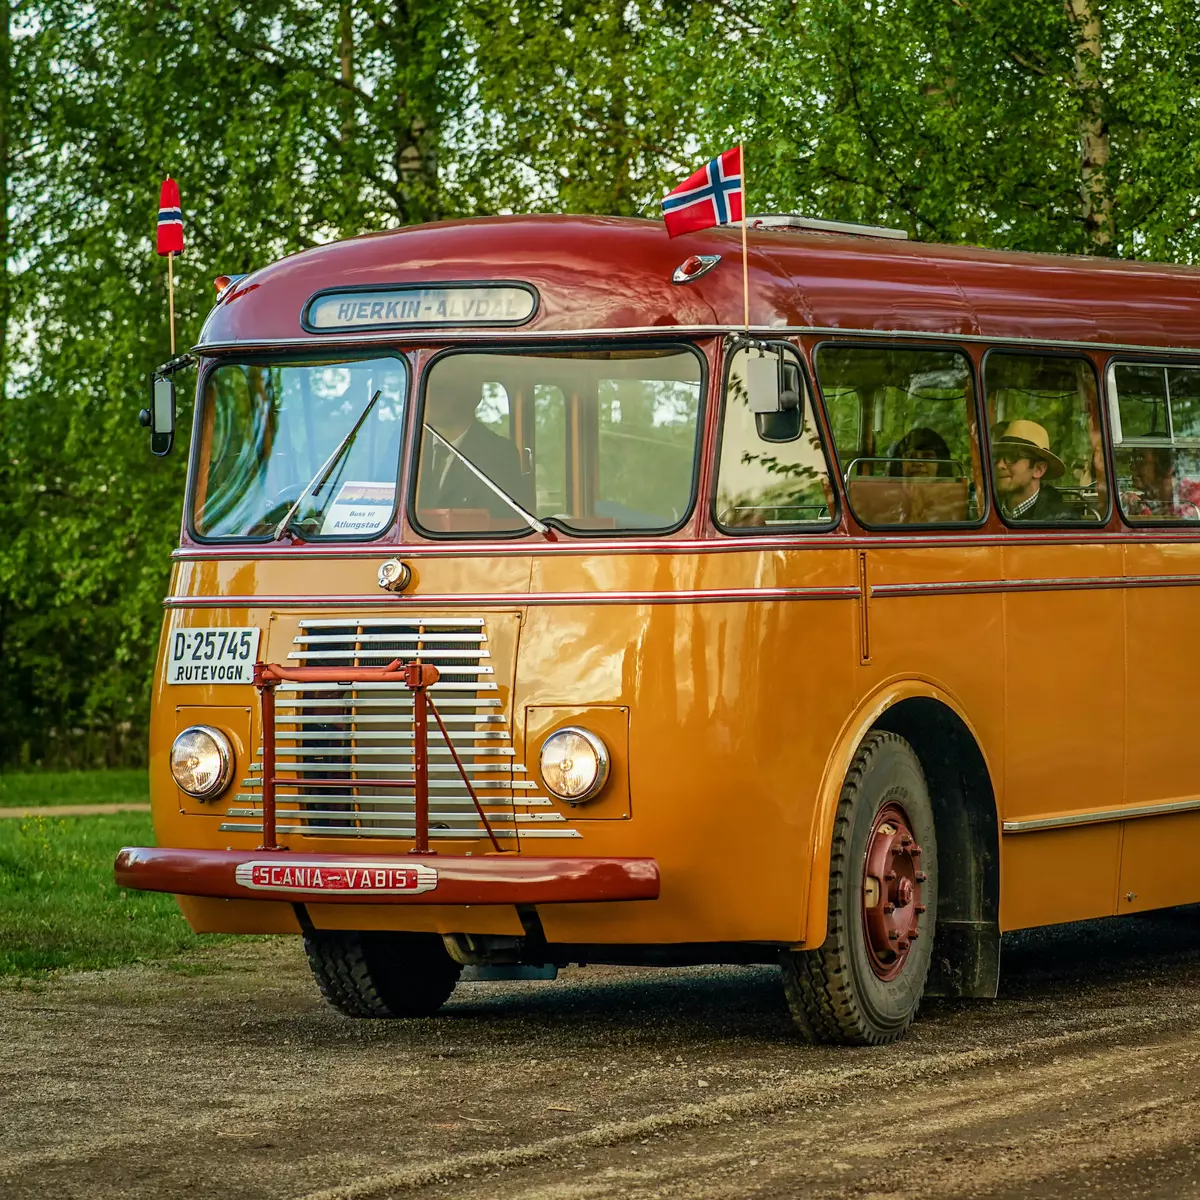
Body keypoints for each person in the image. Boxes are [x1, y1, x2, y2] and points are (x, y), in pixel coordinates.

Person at [417, 387, 533, 517]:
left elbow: (500, 520)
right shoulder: (408, 442)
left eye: (442, 388)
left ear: (472, 397)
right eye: (427, 388)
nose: (430, 397)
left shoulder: (499, 453)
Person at [991, 419, 1072, 521]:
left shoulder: (1061, 521)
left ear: (1039, 469)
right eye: (996, 457)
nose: (999, 465)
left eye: (1012, 457)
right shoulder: (983, 511)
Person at [1123, 446, 1200, 519]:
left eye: (1141, 460)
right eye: (1133, 460)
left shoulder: (1194, 495)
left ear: (1164, 465)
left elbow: (1177, 529)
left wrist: (1143, 513)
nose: (1133, 466)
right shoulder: (1147, 499)